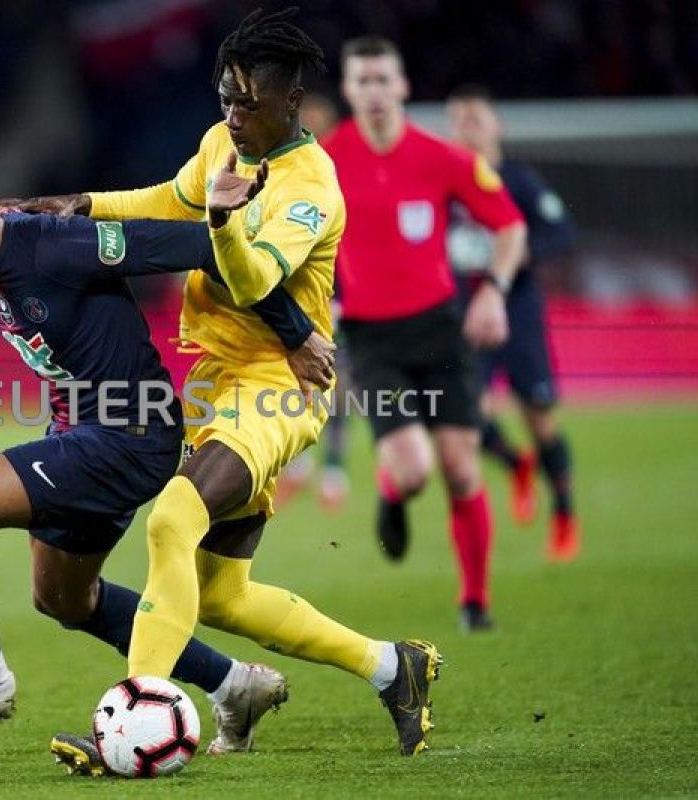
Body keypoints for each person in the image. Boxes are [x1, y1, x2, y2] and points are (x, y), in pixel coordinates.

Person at [11, 9, 441, 765]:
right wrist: (86, 204)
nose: (233, 116)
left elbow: (253, 279)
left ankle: (130, 716)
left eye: (249, 102)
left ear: (294, 101)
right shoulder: (223, 145)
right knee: (221, 597)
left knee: (171, 521)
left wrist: (223, 221)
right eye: (224, 99)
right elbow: (166, 197)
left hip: (280, 384)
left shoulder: (312, 188)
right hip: (219, 380)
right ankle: (390, 666)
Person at [0, 172, 326, 749]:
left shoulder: (56, 247)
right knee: (64, 599)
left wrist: (296, 334)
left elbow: (204, 248)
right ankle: (233, 685)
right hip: (84, 433)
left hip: (126, 436)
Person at [323, 37, 527, 632]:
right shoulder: (326, 162)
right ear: (349, 90)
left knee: (462, 471)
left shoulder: (444, 158)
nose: (375, 91)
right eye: (363, 81)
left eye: (384, 79)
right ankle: (394, 493)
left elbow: (509, 225)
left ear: (404, 86)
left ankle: (474, 602)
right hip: (370, 339)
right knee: (414, 472)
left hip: (440, 330)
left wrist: (493, 288)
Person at [446, 84, 580, 561]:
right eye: (459, 121)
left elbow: (561, 231)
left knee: (539, 415)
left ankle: (564, 510)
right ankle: (514, 463)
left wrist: (520, 259)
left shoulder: (519, 180)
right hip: (465, 316)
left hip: (518, 313)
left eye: (475, 119)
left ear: (496, 125)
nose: (468, 129)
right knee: (467, 417)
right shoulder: (448, 183)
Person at [274, 91, 353, 512]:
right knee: (295, 380)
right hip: (295, 293)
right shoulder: (287, 169)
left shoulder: (341, 174)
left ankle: (335, 472)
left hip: (337, 293)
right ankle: (300, 466)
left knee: (334, 381)